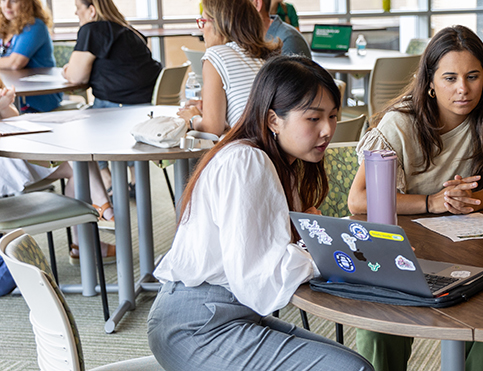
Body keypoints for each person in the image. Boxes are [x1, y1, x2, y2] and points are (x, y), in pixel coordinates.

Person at [147, 55, 373, 371]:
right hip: (198, 325)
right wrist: (334, 253)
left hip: (228, 313)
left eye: (333, 116)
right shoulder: (247, 162)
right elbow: (259, 279)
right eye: (313, 119)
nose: (327, 130)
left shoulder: (279, 164)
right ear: (272, 120)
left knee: (356, 364)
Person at [346, 25, 483, 371]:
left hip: (463, 241)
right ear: (429, 82)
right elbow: (358, 200)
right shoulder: (400, 123)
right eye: (450, 78)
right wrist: (433, 202)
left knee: (482, 308)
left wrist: (468, 200)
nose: (462, 89)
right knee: (382, 326)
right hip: (400, 240)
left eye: (473, 76)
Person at [0, 86, 117, 265]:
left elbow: (12, 119)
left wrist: (4, 106)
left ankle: (84, 244)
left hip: (12, 155)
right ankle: (103, 207)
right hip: (4, 163)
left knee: (77, 162)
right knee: (75, 159)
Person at [177, 0, 279, 137]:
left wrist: (192, 118)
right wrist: (212, 111)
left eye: (204, 21)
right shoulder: (263, 56)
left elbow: (212, 129)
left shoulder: (216, 56)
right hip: (276, 148)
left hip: (250, 152)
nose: (201, 28)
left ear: (220, 24)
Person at [62, 0, 162, 108]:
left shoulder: (92, 30)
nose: (76, 13)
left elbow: (76, 78)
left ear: (92, 10)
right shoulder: (128, 30)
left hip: (118, 108)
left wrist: (68, 70)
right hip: (149, 104)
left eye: (78, 8)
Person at [0, 0, 60, 112]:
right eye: (3, 0)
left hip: (36, 100)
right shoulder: (5, 27)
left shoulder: (35, 26)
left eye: (13, 1)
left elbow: (15, 63)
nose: (6, 5)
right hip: (11, 94)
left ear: (27, 3)